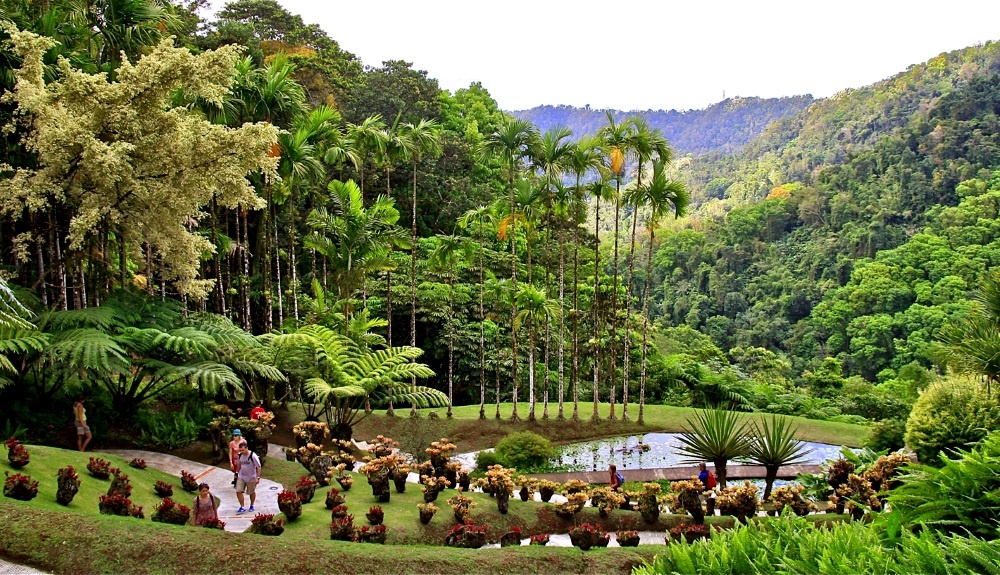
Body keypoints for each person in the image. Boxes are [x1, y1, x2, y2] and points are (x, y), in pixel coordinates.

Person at [235, 441, 261, 513]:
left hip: (251, 477)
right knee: (238, 491)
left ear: (247, 448)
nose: (241, 452)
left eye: (243, 450)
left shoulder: (253, 456)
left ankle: (252, 505)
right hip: (242, 476)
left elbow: (258, 467)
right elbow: (239, 464)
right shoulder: (240, 455)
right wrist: (236, 473)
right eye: (240, 450)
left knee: (251, 492)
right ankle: (242, 506)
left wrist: (257, 478)